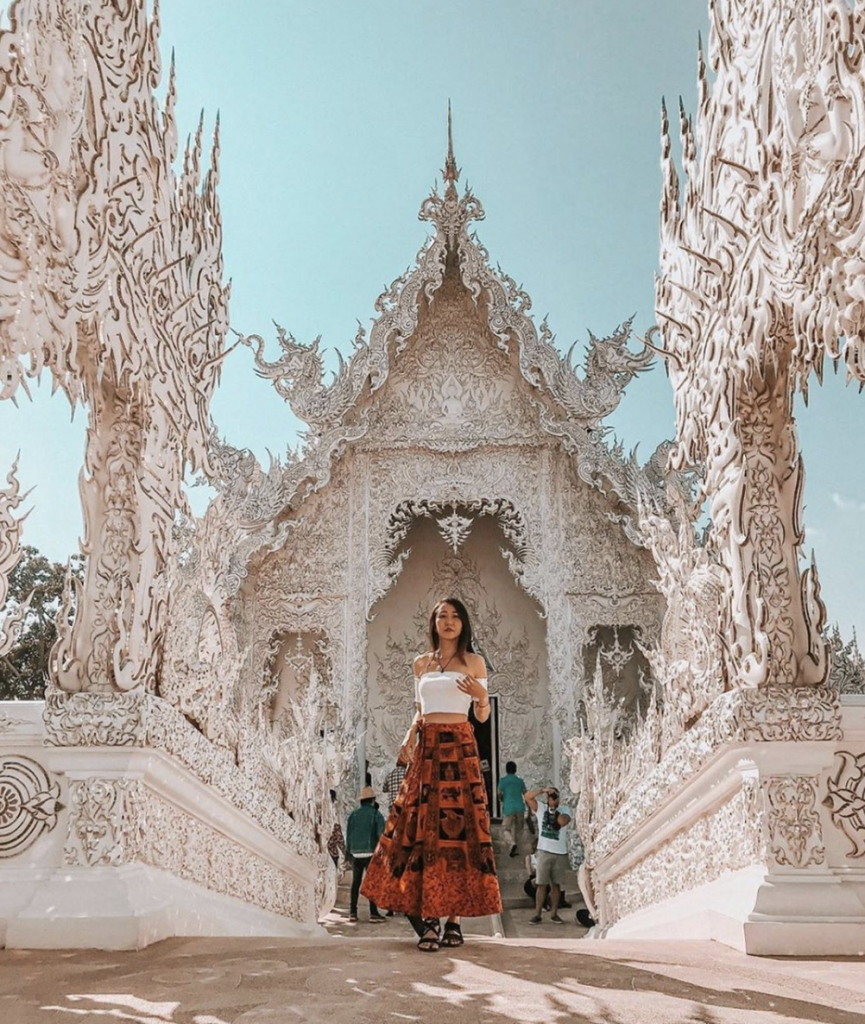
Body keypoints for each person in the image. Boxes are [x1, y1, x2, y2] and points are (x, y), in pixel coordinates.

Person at [361, 598, 502, 952]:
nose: (449, 621)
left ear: (464, 622)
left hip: (460, 746)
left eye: (455, 616)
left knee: (459, 831)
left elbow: (482, 717)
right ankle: (429, 921)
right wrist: (410, 736)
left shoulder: (474, 661)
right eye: (442, 616)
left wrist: (482, 696)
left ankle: (453, 920)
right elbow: (420, 710)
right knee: (421, 830)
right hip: (427, 750)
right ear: (434, 623)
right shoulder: (421, 663)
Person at [524, 786, 571, 925]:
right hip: (544, 851)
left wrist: (555, 808)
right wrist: (542, 790)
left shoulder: (564, 810)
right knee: (541, 884)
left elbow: (563, 821)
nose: (553, 799)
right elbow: (527, 797)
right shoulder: (541, 809)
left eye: (555, 796)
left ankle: (554, 913)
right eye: (551, 796)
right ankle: (537, 914)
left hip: (559, 852)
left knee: (556, 885)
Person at [345, 786, 386, 923]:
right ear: (373, 800)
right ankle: (373, 913)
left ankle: (352, 912)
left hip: (356, 853)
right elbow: (380, 835)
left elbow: (349, 835)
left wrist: (348, 855)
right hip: (370, 854)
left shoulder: (353, 815)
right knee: (371, 884)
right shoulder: (376, 815)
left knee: (355, 884)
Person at [497, 760, 527, 857]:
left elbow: (499, 794)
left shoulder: (503, 781)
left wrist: (503, 799)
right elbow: (525, 793)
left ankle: (512, 844)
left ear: (506, 770)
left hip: (509, 807)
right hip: (520, 807)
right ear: (515, 770)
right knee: (519, 829)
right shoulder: (520, 781)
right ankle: (517, 849)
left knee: (505, 828)